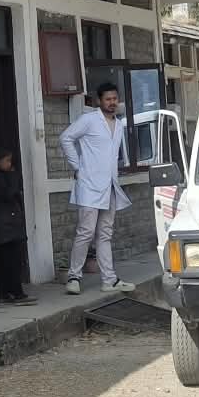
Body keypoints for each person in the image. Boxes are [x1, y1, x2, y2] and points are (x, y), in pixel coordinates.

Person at [58, 82, 135, 295]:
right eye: (108, 99)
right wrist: (77, 167)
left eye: (115, 99)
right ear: (99, 101)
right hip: (89, 185)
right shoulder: (89, 120)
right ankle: (74, 277)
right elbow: (66, 138)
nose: (112, 103)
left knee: (105, 234)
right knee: (85, 232)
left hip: (110, 185)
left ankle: (109, 280)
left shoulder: (118, 124)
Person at [0, 147, 36, 306]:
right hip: (3, 225)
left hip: (5, 225)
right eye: (7, 160)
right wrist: (13, 176)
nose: (10, 164)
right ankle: (16, 293)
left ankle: (5, 294)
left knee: (7, 260)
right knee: (10, 261)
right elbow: (8, 194)